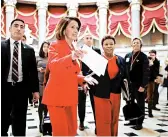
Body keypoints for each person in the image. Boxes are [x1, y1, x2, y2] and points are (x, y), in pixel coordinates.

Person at [42, 16, 98, 136]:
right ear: (63, 29)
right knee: (61, 133)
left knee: (72, 131)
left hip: (71, 96)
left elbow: (71, 74)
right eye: (72, 27)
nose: (76, 30)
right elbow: (53, 67)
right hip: (57, 97)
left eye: (77, 28)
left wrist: (83, 79)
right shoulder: (54, 45)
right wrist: (71, 57)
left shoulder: (73, 47)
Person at [1, 18, 39, 136]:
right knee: (3, 119)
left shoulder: (29, 50)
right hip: (4, 88)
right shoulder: (1, 47)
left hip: (21, 89)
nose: (19, 28)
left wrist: (35, 91)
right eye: (16, 26)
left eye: (22, 27)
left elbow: (33, 72)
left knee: (20, 120)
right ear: (10, 29)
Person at [92, 35, 126, 136]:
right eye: (106, 44)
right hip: (100, 95)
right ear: (102, 46)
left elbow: (125, 77)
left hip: (116, 93)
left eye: (111, 44)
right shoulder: (98, 59)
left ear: (115, 45)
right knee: (103, 120)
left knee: (114, 119)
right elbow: (91, 75)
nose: (109, 46)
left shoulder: (120, 60)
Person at [124, 38, 150, 130]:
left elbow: (146, 72)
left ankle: (139, 123)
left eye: (137, 43)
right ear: (131, 44)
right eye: (134, 42)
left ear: (140, 45)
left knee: (140, 105)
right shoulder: (127, 56)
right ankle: (131, 120)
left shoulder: (143, 57)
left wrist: (143, 85)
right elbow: (124, 70)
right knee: (130, 103)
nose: (135, 44)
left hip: (139, 85)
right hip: (129, 86)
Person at [78, 33, 101, 132]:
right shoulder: (79, 50)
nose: (89, 39)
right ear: (83, 39)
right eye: (87, 38)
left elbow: (99, 65)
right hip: (82, 80)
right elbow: (79, 66)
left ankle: (97, 124)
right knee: (81, 103)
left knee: (95, 103)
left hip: (94, 80)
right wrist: (84, 81)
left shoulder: (97, 50)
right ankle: (82, 122)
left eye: (90, 38)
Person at [36, 41, 50, 133]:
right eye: (44, 46)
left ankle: (46, 123)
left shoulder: (52, 58)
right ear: (41, 48)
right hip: (40, 83)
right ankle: (41, 122)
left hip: (50, 84)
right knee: (41, 104)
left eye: (48, 46)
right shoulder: (37, 58)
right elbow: (32, 69)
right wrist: (38, 69)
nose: (46, 48)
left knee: (48, 106)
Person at [146, 50, 160, 117]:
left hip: (152, 80)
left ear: (155, 55)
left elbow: (156, 72)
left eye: (153, 55)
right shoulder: (146, 60)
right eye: (150, 55)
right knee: (147, 96)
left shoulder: (157, 62)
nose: (151, 56)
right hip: (145, 80)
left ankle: (150, 112)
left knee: (151, 95)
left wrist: (152, 65)